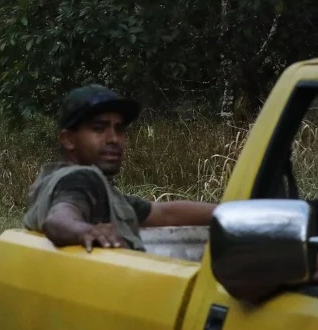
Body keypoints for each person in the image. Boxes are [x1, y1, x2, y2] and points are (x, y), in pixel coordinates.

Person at [22, 85, 215, 251]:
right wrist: (85, 231)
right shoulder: (82, 180)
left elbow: (166, 214)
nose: (114, 139)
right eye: (99, 128)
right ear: (69, 140)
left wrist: (231, 213)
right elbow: (59, 219)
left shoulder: (58, 181)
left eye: (119, 129)